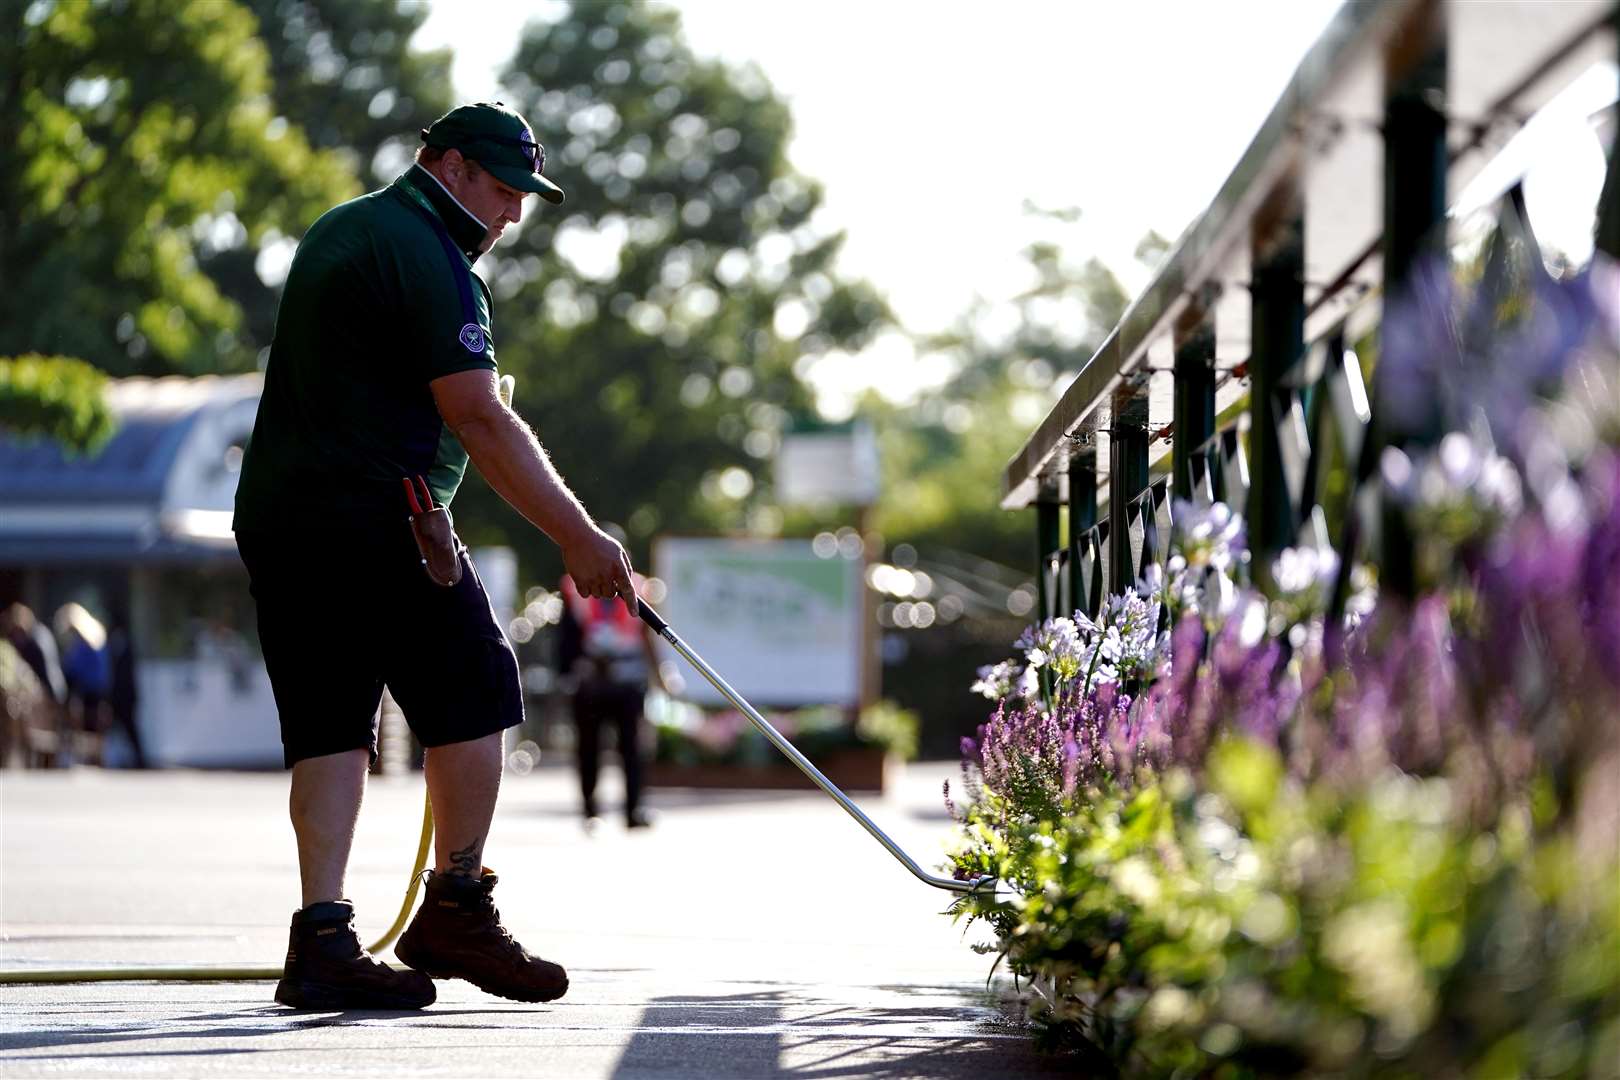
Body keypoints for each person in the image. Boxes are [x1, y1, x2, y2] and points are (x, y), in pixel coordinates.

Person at [232, 101, 638, 1012]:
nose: (514, 213)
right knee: (476, 695)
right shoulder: (429, 255)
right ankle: (455, 905)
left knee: (331, 724)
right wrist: (577, 536)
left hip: (281, 519)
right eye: (502, 189)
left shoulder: (344, 229)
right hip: (380, 518)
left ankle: (323, 941)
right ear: (449, 167)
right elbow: (478, 415)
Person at [556, 532, 661, 830]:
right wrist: (567, 674)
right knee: (588, 748)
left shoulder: (640, 587)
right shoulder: (573, 587)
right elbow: (565, 637)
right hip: (590, 680)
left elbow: (646, 636)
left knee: (632, 749)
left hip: (627, 680)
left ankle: (633, 810)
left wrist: (660, 675)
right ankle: (590, 810)